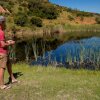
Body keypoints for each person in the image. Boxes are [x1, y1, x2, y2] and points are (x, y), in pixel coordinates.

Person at [0, 16, 19, 89]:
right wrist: (10, 43)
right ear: (1, 23)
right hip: (3, 53)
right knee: (2, 68)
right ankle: (2, 85)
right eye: (4, 22)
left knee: (9, 65)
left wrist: (7, 41)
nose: (5, 23)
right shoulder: (1, 32)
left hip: (4, 52)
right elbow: (3, 45)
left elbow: (1, 42)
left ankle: (13, 79)